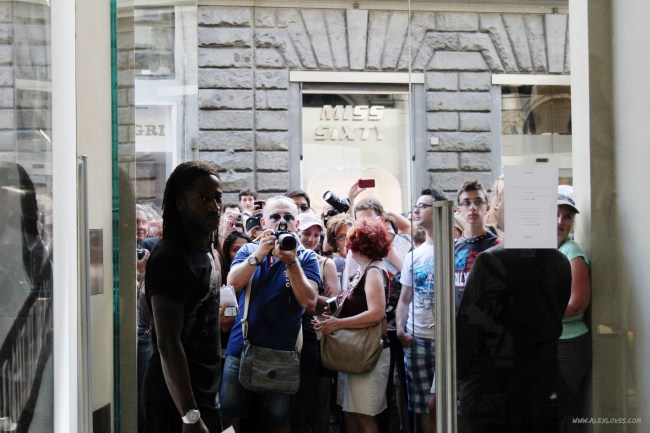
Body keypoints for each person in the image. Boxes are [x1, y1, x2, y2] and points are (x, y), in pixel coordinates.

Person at [455, 176, 572, 433]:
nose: (495, 207)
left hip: (498, 396)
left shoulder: (489, 262)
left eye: (499, 199)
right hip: (545, 389)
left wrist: (463, 381)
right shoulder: (560, 261)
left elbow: (468, 334)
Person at [220, 195, 320, 433]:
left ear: (296, 223)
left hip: (283, 351)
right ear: (264, 223)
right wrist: (259, 254)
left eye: (288, 217)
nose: (281, 222)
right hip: (241, 346)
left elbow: (309, 302)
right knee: (229, 413)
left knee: (279, 419)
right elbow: (232, 284)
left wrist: (291, 263)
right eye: (275, 217)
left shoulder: (305, 257)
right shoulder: (249, 249)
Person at [142, 161, 224, 433]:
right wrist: (189, 414)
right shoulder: (171, 257)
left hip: (203, 393)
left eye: (217, 198)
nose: (214, 207)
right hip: (175, 402)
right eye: (203, 198)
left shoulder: (205, 251)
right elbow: (167, 341)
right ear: (180, 203)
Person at [313, 218, 391, 433]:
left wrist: (338, 323)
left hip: (368, 350)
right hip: (358, 350)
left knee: (364, 415)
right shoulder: (367, 268)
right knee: (352, 412)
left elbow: (376, 313)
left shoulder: (373, 271)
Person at [396, 188, 446, 433]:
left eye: (423, 206)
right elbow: (405, 299)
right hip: (417, 339)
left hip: (446, 341)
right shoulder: (413, 255)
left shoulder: (453, 249)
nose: (416, 210)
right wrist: (400, 329)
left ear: (438, 210)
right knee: (423, 407)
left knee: (448, 404)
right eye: (416, 206)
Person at [291, 211, 340, 433]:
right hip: (292, 336)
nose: (311, 239)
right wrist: (315, 296)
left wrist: (313, 298)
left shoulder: (325, 263)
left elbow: (333, 305)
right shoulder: (284, 259)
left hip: (319, 337)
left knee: (320, 398)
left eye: (316, 235)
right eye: (306, 233)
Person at [556, 189, 592, 433]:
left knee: (563, 410)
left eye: (567, 217)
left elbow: (577, 303)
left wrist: (537, 316)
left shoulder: (572, 251)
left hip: (569, 344)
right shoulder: (548, 250)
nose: (561, 221)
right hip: (552, 340)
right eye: (556, 214)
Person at [453, 180, 501, 309]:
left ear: (487, 208)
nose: (472, 207)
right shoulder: (453, 248)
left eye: (478, 202)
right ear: (459, 210)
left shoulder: (497, 246)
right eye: (466, 202)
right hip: (459, 318)